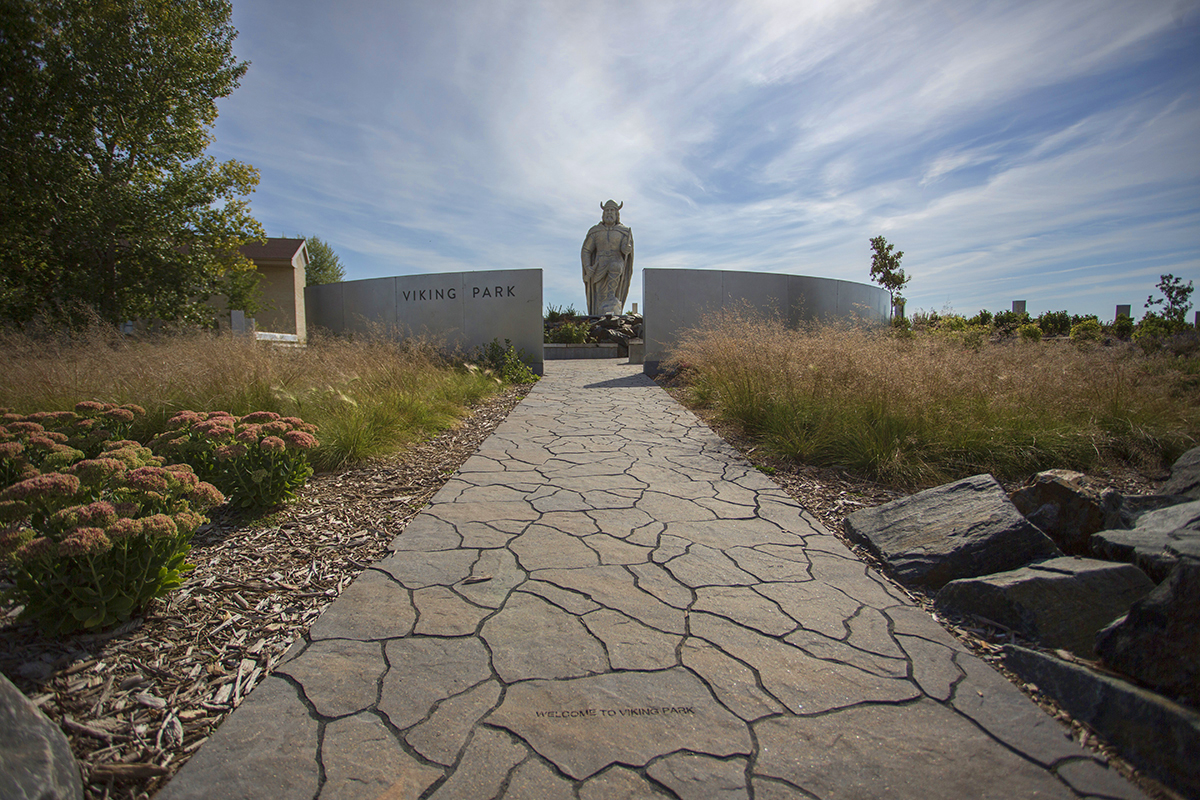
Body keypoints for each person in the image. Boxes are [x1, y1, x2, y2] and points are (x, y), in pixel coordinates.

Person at [581, 200, 634, 315]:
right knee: (600, 294)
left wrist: (627, 249)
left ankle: (612, 301)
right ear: (603, 213)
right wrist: (587, 266)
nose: (609, 213)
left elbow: (624, 247)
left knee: (615, 267)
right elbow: (586, 250)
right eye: (607, 210)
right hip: (599, 264)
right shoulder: (595, 231)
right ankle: (599, 315)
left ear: (616, 214)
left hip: (616, 260)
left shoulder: (623, 231)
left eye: (612, 210)